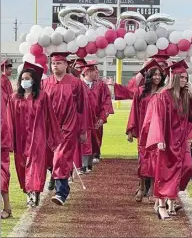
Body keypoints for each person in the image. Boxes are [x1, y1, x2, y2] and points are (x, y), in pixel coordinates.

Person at [142, 60, 192, 220]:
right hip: (166, 141)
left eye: (186, 78)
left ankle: (170, 202)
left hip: (181, 141)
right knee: (165, 172)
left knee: (185, 168)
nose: (184, 80)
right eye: (181, 77)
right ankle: (162, 206)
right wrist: (159, 138)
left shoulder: (185, 96)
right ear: (174, 78)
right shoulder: (163, 96)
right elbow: (157, 119)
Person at [6, 62, 62, 207]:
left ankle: (34, 192)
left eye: (28, 78)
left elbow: (50, 117)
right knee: (22, 166)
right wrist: (9, 140)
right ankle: (28, 191)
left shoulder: (43, 97)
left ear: (34, 80)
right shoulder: (14, 98)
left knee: (36, 165)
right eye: (23, 78)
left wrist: (53, 137)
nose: (25, 81)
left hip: (38, 137)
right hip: (21, 138)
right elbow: (9, 120)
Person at [42, 52, 88, 205]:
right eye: (53, 63)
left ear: (66, 65)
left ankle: (61, 192)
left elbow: (82, 109)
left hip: (68, 126)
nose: (55, 65)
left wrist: (83, 131)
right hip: (49, 127)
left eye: (59, 63)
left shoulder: (76, 83)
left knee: (60, 157)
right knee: (51, 158)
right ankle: (57, 179)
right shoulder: (45, 83)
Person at [126, 60, 165, 203]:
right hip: (143, 131)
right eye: (154, 74)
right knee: (142, 161)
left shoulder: (164, 92)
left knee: (156, 161)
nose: (157, 77)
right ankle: (142, 187)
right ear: (149, 76)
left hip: (158, 132)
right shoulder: (140, 91)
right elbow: (134, 112)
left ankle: (152, 190)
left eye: (159, 75)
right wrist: (131, 130)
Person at [79, 61, 113, 173]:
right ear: (87, 72)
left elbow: (106, 102)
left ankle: (93, 158)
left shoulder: (101, 85)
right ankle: (83, 165)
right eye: (94, 71)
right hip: (82, 121)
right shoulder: (78, 85)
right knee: (83, 141)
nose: (97, 73)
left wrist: (102, 118)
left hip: (96, 119)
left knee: (95, 140)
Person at [106, 54, 170, 100]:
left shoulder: (170, 80)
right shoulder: (146, 85)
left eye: (162, 66)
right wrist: (143, 70)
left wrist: (171, 71)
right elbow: (130, 91)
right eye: (157, 65)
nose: (160, 68)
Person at [1, 59, 13, 219]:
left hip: (2, 133)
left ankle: (7, 206)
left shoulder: (3, 82)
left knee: (2, 171)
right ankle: (7, 206)